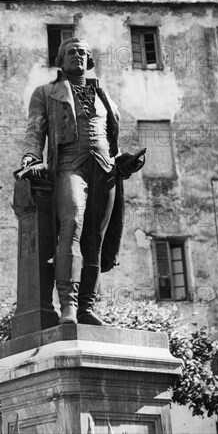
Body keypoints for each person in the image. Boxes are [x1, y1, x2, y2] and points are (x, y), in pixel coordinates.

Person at [21, 38, 145, 325]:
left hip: (105, 169)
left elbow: (111, 139)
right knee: (72, 225)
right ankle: (68, 304)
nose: (77, 56)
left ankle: (87, 308)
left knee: (95, 241)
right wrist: (30, 157)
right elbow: (34, 131)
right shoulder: (45, 92)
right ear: (61, 60)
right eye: (71, 52)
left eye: (83, 53)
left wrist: (125, 161)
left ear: (89, 61)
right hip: (69, 164)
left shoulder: (104, 96)